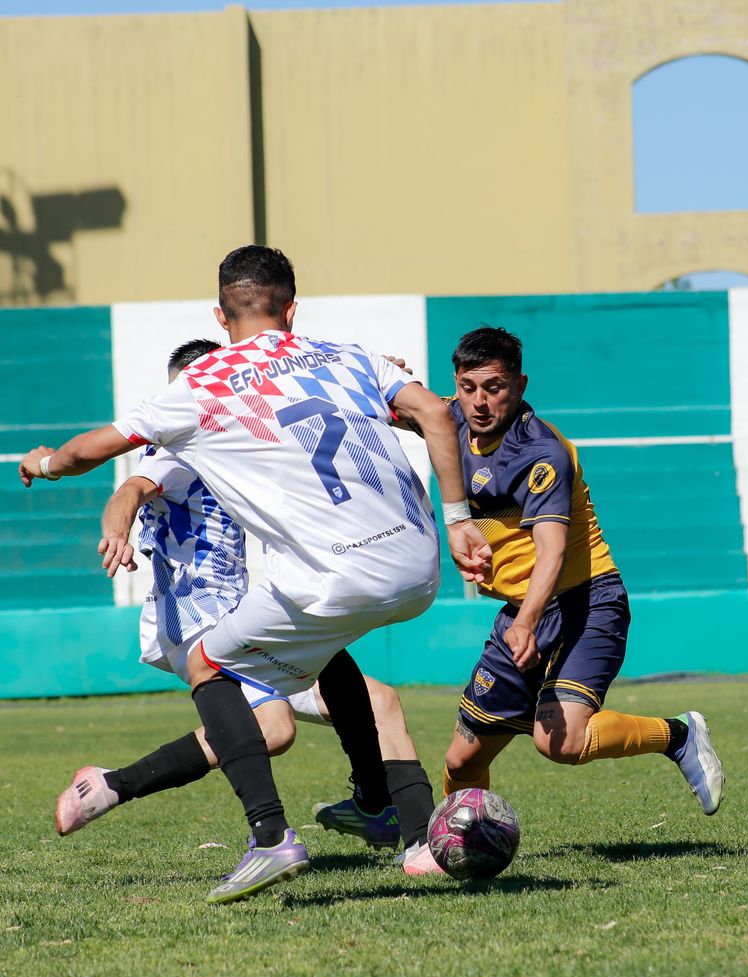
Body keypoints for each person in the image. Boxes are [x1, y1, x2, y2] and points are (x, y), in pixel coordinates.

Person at [20, 245, 490, 903]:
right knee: (351, 688)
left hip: (332, 573)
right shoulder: (348, 356)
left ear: (221, 316)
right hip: (418, 565)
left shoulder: (204, 385)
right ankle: (406, 832)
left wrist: (43, 464)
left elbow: (87, 452)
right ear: (291, 309)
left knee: (211, 667)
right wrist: (460, 518)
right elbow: (437, 413)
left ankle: (270, 836)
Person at [55, 340, 438, 869]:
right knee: (275, 729)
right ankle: (117, 786)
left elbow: (312, 411)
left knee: (381, 702)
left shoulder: (239, 430)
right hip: (193, 614)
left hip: (240, 609)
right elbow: (130, 491)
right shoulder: (176, 446)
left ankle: (392, 821)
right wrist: (116, 531)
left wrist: (378, 382)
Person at [425, 327, 724, 819]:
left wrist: (526, 623)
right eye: (467, 387)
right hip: (523, 610)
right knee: (463, 760)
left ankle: (677, 734)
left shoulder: (541, 452)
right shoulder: (450, 417)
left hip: (586, 601)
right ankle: (456, 844)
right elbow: (399, 405)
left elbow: (552, 551)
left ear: (520, 385)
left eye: (494, 388)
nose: (479, 402)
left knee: (560, 742)